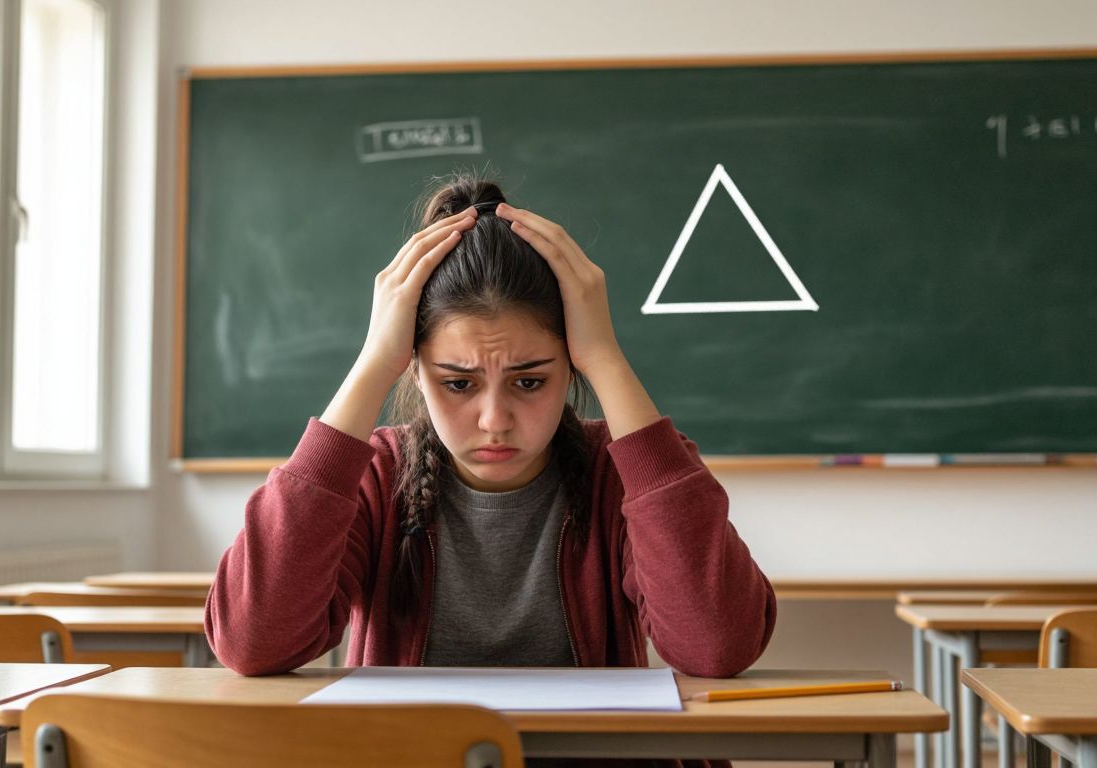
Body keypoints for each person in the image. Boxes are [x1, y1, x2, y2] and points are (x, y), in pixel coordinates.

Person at [206, 175, 776, 744]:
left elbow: (717, 645)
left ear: (571, 366)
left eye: (530, 381)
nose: (494, 420)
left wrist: (605, 356)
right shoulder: (377, 476)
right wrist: (373, 363)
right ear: (416, 370)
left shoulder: (618, 471)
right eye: (458, 384)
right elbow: (253, 642)